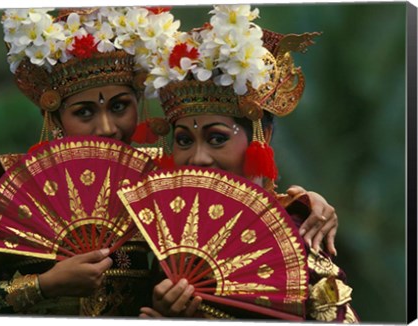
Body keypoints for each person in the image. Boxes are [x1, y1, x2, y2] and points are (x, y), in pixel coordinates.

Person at [0, 6, 337, 316]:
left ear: (140, 106)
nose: (107, 128)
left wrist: (302, 205)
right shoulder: (20, 184)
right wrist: (43, 286)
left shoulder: (163, 181)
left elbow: (241, 209)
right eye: (84, 112)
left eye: (120, 107)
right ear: (54, 116)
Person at [138, 5, 359, 322]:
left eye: (217, 139)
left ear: (262, 135)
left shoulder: (300, 234)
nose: (197, 158)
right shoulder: (169, 243)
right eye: (184, 140)